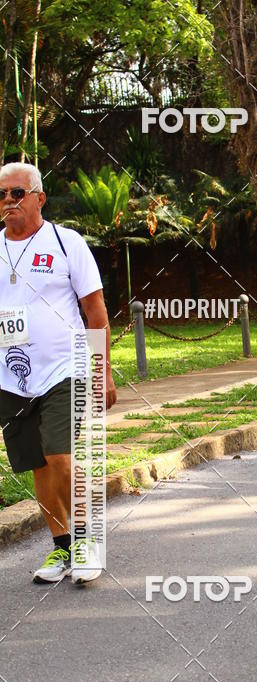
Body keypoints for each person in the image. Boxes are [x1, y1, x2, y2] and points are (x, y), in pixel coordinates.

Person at [0, 162, 117, 584]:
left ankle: (87, 542)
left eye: (17, 193)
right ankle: (62, 546)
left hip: (65, 369)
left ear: (39, 198)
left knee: (60, 454)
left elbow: (95, 311)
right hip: (11, 378)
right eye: (1, 195)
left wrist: (103, 372)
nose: (8, 201)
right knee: (38, 464)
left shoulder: (67, 243)